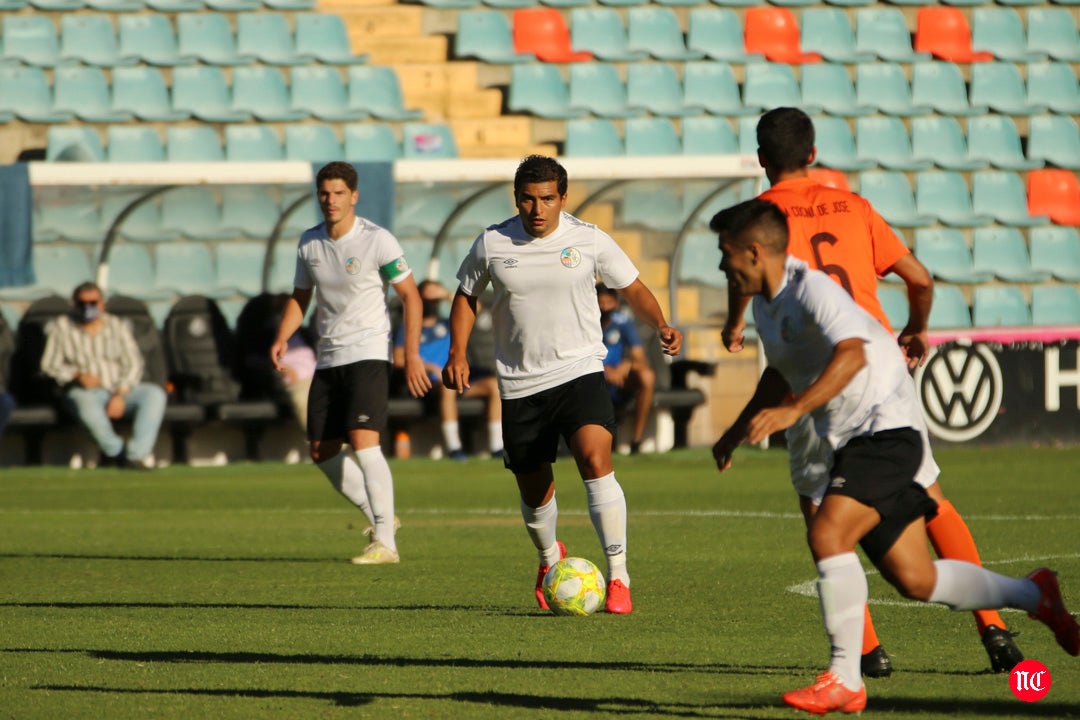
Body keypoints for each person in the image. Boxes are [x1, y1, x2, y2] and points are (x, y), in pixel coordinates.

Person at [712, 198, 1079, 715]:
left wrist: (795, 411)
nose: (721, 265)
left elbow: (854, 352)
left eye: (725, 254)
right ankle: (1034, 594)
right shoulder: (768, 304)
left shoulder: (811, 289)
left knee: (826, 532)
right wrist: (733, 431)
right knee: (916, 579)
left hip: (886, 430)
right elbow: (781, 371)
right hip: (853, 441)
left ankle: (846, 677)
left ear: (754, 252)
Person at [721, 106, 1023, 676]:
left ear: (761, 160)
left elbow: (749, 277)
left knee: (821, 511)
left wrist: (736, 324)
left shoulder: (754, 222)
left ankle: (865, 653)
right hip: (880, 371)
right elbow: (920, 278)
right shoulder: (855, 207)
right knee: (928, 494)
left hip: (811, 378)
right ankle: (995, 629)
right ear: (812, 154)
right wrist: (916, 328)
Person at [442, 155, 683, 614]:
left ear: (563, 198)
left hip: (579, 371)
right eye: (529, 199)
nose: (538, 209)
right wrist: (457, 351)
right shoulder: (492, 242)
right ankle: (550, 558)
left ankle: (618, 578)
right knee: (536, 492)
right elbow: (466, 296)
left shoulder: (588, 240)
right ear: (517, 199)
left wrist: (661, 324)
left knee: (595, 458)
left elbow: (632, 287)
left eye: (548, 199)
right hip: (519, 383)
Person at [271, 161, 431, 565]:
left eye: (339, 193)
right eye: (325, 193)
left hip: (369, 352)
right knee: (322, 450)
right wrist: (283, 335)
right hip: (329, 357)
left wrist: (411, 356)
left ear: (354, 196)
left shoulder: (378, 240)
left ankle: (386, 545)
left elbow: (412, 296)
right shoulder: (309, 243)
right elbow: (301, 297)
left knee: (363, 441)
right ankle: (382, 519)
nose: (331, 200)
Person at [40, 281, 166, 469]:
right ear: (74, 304)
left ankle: (136, 455)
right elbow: (49, 365)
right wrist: (76, 374)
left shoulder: (116, 325)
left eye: (93, 303)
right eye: (83, 303)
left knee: (155, 394)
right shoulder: (63, 327)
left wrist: (121, 393)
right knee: (85, 403)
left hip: (120, 388)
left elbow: (134, 363)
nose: (88, 308)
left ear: (102, 304)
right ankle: (117, 453)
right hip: (85, 391)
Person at [393, 279, 502, 461]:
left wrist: (446, 294)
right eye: (427, 295)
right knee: (448, 386)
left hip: (457, 380)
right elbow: (397, 359)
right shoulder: (408, 327)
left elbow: (477, 308)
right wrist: (428, 366)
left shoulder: (448, 323)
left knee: (494, 386)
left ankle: (497, 446)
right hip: (428, 384)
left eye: (435, 296)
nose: (432, 301)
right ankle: (454, 447)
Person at [597, 283, 656, 455]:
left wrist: (626, 364)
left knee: (647, 376)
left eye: (608, 302)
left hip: (620, 381)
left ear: (615, 303)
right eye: (600, 302)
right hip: (592, 378)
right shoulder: (584, 324)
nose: (604, 307)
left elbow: (640, 358)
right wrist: (604, 369)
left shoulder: (623, 323)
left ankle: (636, 441)